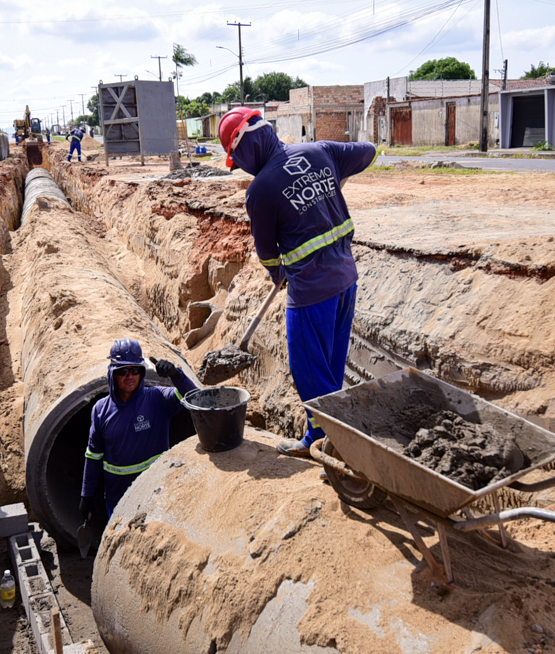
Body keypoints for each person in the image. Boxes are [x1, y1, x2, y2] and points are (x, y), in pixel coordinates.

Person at [218, 107, 377, 457]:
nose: (241, 167)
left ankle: (339, 446)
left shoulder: (261, 190)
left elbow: (267, 252)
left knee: (308, 370)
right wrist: (328, 175)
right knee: (330, 367)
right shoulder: (320, 151)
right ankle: (318, 436)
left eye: (237, 159)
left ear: (245, 147)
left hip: (310, 292)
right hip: (346, 281)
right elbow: (368, 150)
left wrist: (280, 275)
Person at [80, 339, 197, 520]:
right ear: (112, 373)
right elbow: (93, 456)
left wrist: (176, 375)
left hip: (155, 493)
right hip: (117, 498)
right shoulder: (100, 410)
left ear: (142, 372)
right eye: (123, 371)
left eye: (135, 370)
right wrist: (86, 495)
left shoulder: (157, 399)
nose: (130, 376)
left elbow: (194, 397)